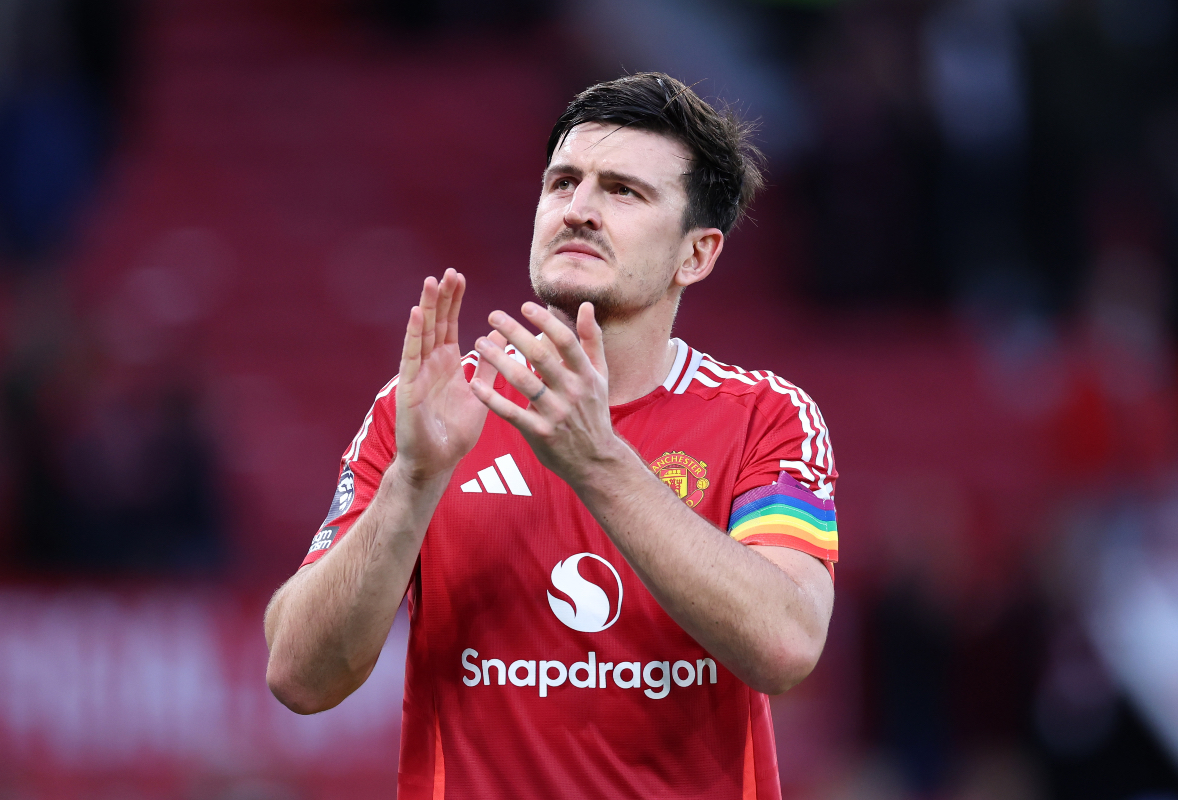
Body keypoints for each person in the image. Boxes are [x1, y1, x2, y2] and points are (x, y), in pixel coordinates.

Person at [264, 72, 838, 799]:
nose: (580, 210)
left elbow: (786, 645)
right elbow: (298, 677)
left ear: (697, 254)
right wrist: (413, 480)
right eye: (563, 182)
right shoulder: (431, 412)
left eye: (623, 191)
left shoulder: (766, 416)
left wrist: (597, 461)